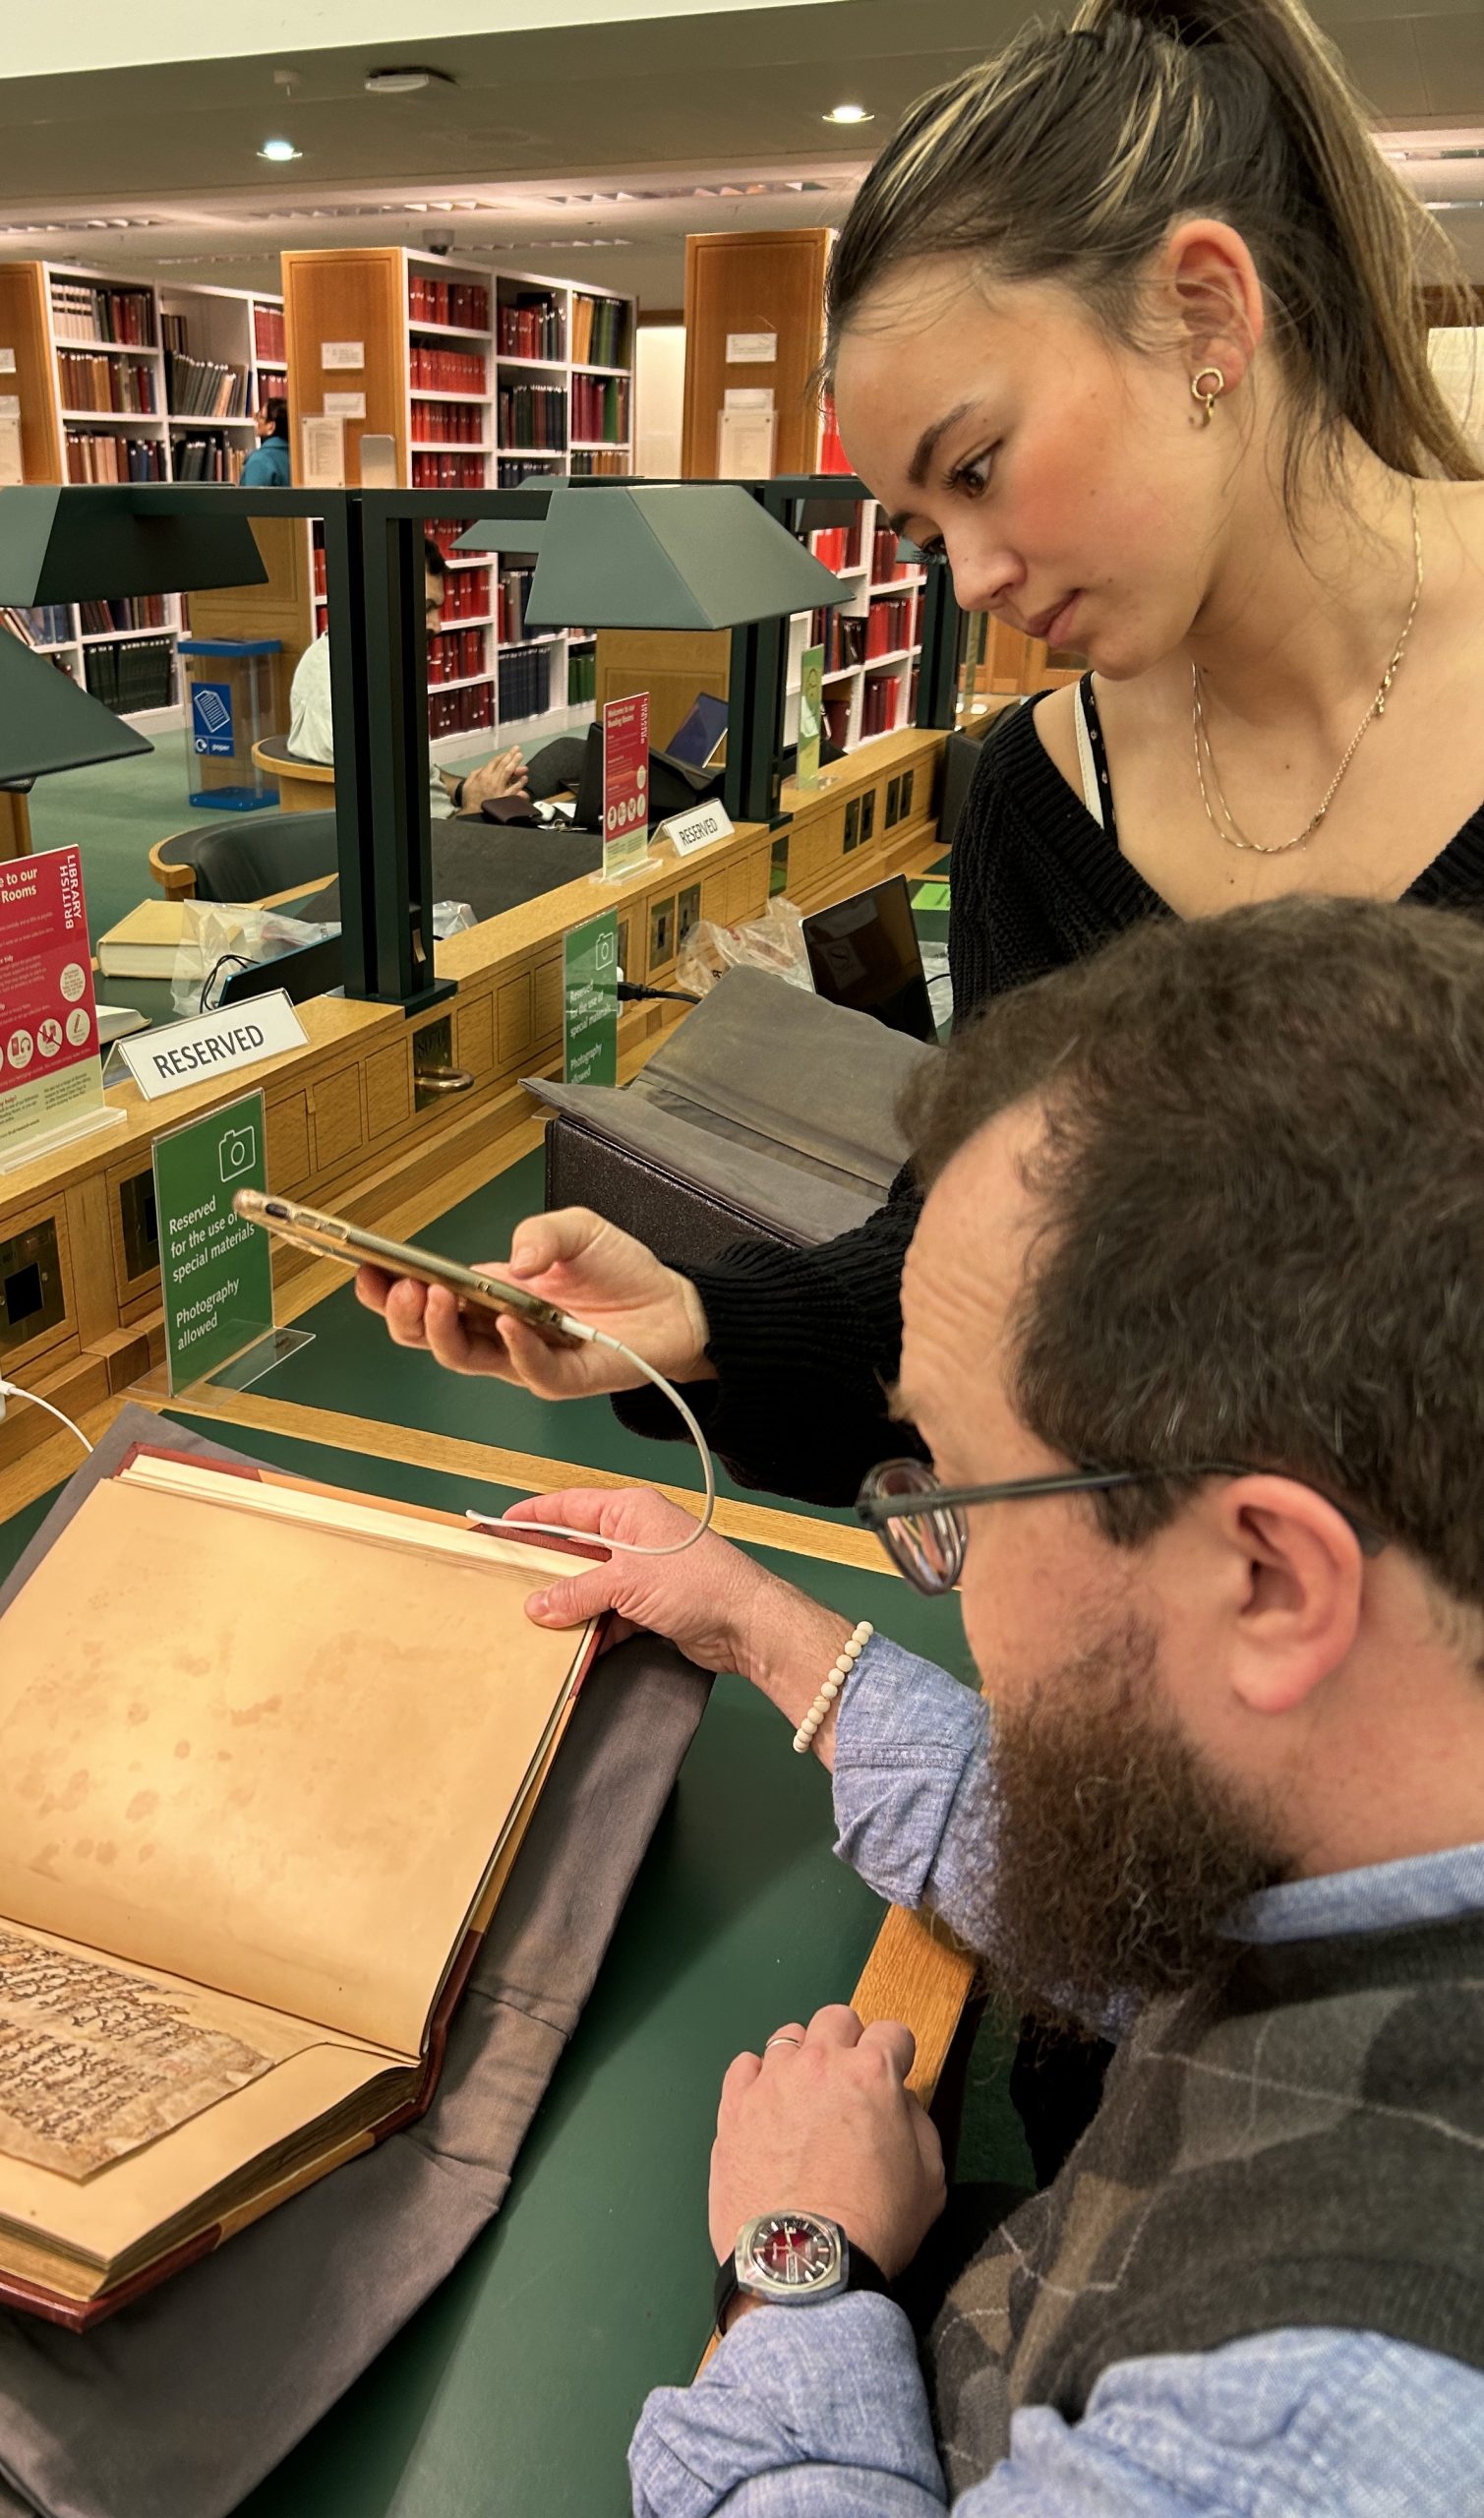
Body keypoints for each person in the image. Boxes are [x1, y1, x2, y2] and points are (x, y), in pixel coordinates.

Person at [357, 0, 1484, 1510]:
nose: (966, 578)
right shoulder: (1041, 792)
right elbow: (978, 1246)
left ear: (1208, 317)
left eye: (977, 469)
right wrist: (704, 1328)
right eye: (918, 527)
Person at [499, 895, 1484, 2515]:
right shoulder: (1384, 1799)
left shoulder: (1324, 2424)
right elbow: (1147, 1892)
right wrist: (766, 1631)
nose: (935, 1564)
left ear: (1265, 1580)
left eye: (954, 1490)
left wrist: (794, 2265)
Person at [287, 535, 529, 818]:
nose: (437, 626)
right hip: (439, 843)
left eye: (438, 608)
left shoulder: (332, 655)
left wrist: (468, 789)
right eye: (426, 607)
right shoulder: (359, 692)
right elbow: (419, 839)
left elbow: (418, 776)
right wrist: (476, 807)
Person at [239, 397, 290, 488]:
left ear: (271, 426)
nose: (257, 421)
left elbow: (249, 500)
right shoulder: (299, 458)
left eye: (261, 417)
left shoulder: (260, 461)